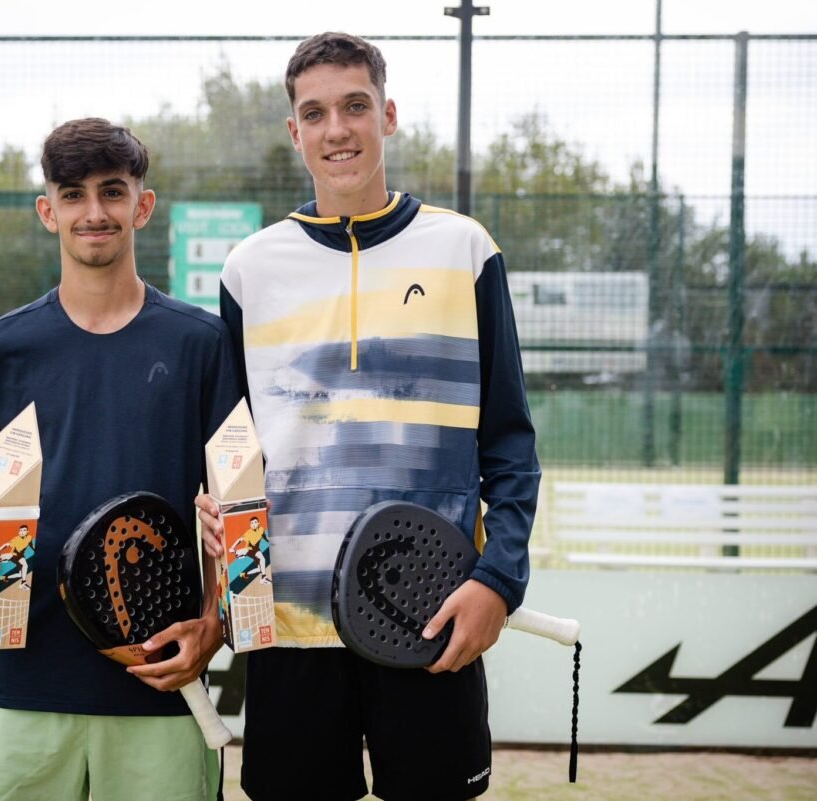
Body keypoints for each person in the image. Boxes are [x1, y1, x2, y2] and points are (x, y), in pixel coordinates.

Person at [195, 32, 541, 801]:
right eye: (314, 113)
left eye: (355, 107)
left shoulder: (464, 249)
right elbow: (230, 445)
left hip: (430, 611)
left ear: (387, 116)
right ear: (295, 132)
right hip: (287, 624)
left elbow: (512, 444)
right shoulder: (249, 268)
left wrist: (498, 579)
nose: (337, 129)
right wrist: (210, 504)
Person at [0, 117, 240, 801]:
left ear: (143, 204)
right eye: (73, 195)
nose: (93, 212)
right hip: (23, 675)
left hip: (159, 673)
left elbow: (232, 503)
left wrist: (215, 623)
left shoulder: (204, 344)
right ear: (48, 211)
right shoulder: (1, 346)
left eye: (112, 191)